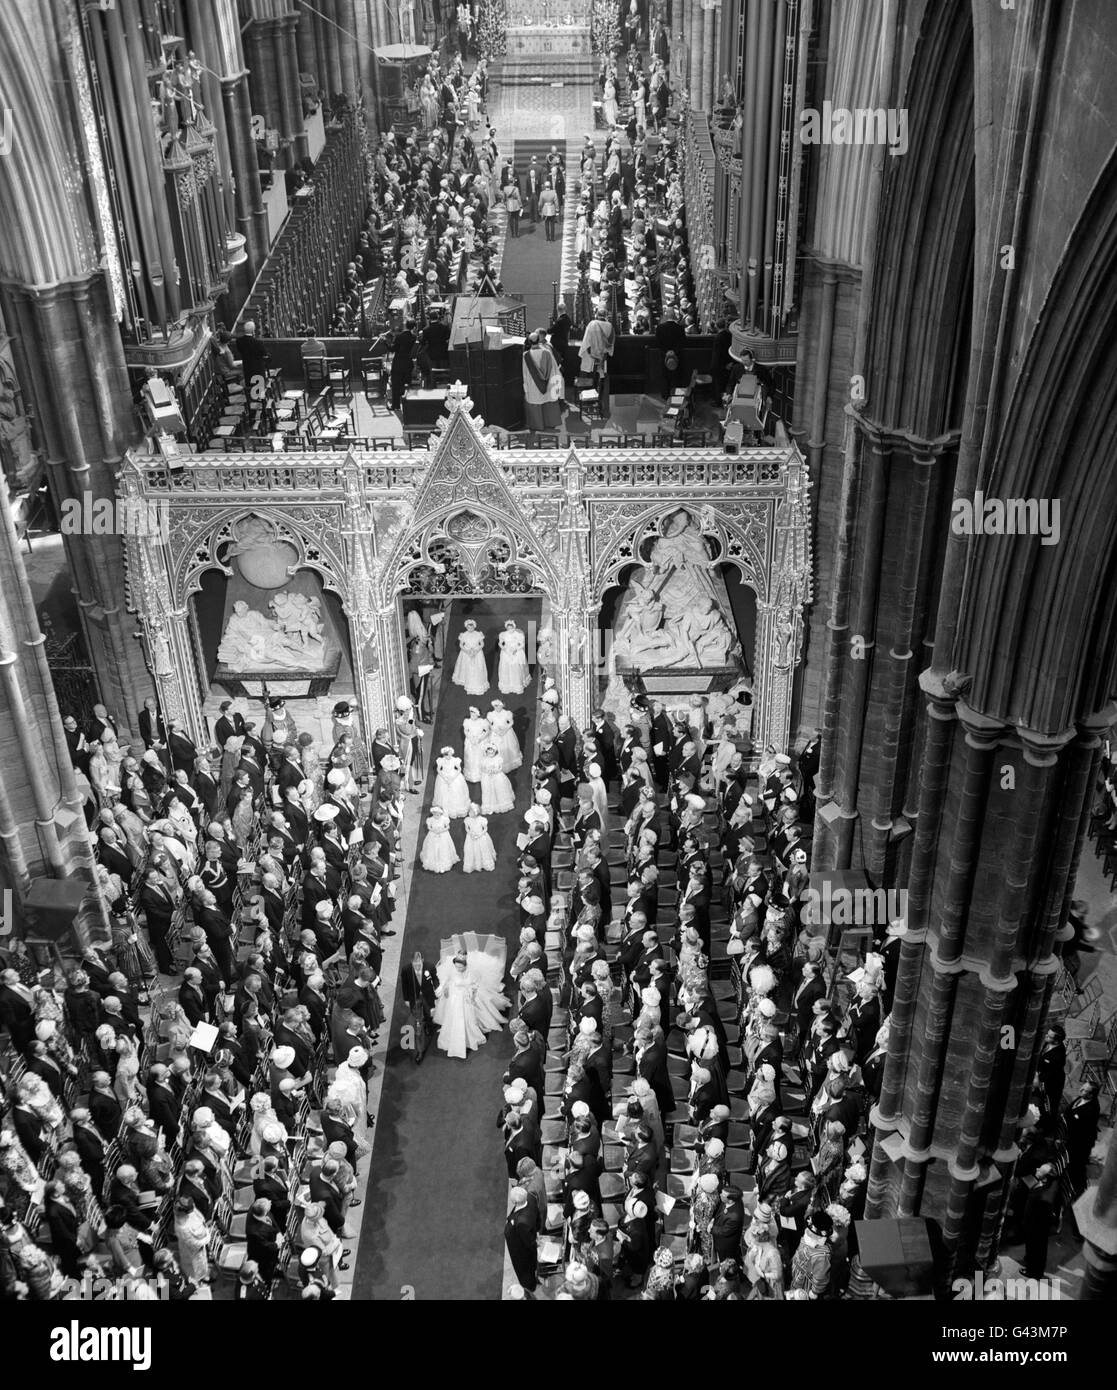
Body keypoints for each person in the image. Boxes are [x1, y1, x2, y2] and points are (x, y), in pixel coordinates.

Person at [433, 952, 486, 1060]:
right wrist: (443, 989)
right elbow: (447, 981)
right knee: (453, 1018)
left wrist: (471, 993)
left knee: (466, 1019)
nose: (458, 969)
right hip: (454, 998)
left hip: (465, 998)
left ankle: (467, 1039)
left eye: (460, 967)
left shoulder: (470, 973)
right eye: (456, 966)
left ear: (465, 965)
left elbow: (474, 984)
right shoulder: (453, 970)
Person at [521, 330, 564, 433]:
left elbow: (525, 374)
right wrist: (557, 387)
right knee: (548, 402)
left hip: (533, 385)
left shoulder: (526, 355)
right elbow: (554, 369)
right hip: (548, 384)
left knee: (535, 403)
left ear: (530, 342)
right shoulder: (547, 352)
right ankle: (550, 423)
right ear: (538, 341)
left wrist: (526, 389)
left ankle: (537, 425)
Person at [452, 618, 489, 695]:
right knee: (466, 667)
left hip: (477, 652)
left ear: (474, 627)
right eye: (468, 627)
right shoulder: (464, 635)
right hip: (466, 653)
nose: (470, 629)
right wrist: (467, 651)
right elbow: (461, 645)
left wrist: (476, 650)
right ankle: (466, 680)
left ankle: (477, 681)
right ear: (466, 627)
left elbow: (482, 644)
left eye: (471, 627)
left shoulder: (478, 634)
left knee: (477, 667)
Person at [432, 747, 471, 818]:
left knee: (456, 791)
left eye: (449, 755)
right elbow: (438, 769)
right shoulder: (441, 760)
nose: (448, 756)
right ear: (444, 755)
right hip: (443, 776)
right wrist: (444, 777)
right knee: (442, 792)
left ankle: (455, 809)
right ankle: (444, 809)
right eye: (446, 755)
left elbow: (459, 769)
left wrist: (453, 778)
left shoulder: (455, 760)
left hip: (454, 776)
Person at [420, 806, 459, 873]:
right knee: (433, 848)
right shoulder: (430, 819)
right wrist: (434, 830)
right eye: (434, 814)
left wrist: (442, 830)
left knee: (443, 849)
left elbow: (448, 827)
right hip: (433, 834)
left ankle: (443, 864)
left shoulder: (444, 819)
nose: (436, 816)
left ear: (441, 814)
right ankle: (433, 863)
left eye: (438, 815)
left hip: (443, 835)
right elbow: (429, 827)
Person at [497, 619, 531, 694]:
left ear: (514, 627)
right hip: (506, 651)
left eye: (511, 628)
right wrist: (504, 649)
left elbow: (522, 644)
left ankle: (517, 684)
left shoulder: (518, 634)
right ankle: (507, 684)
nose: (510, 630)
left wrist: (516, 649)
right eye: (508, 628)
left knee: (516, 666)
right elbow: (500, 643)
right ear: (506, 628)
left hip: (516, 651)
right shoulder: (503, 634)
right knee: (506, 666)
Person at [462, 803, 497, 872]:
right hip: (471, 837)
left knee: (483, 849)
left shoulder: (482, 819)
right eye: (469, 811)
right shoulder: (467, 820)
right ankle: (473, 864)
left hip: (481, 836)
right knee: (471, 850)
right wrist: (470, 833)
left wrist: (480, 834)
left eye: (471, 812)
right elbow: (467, 828)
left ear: (476, 813)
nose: (469, 813)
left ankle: (485, 863)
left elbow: (485, 829)